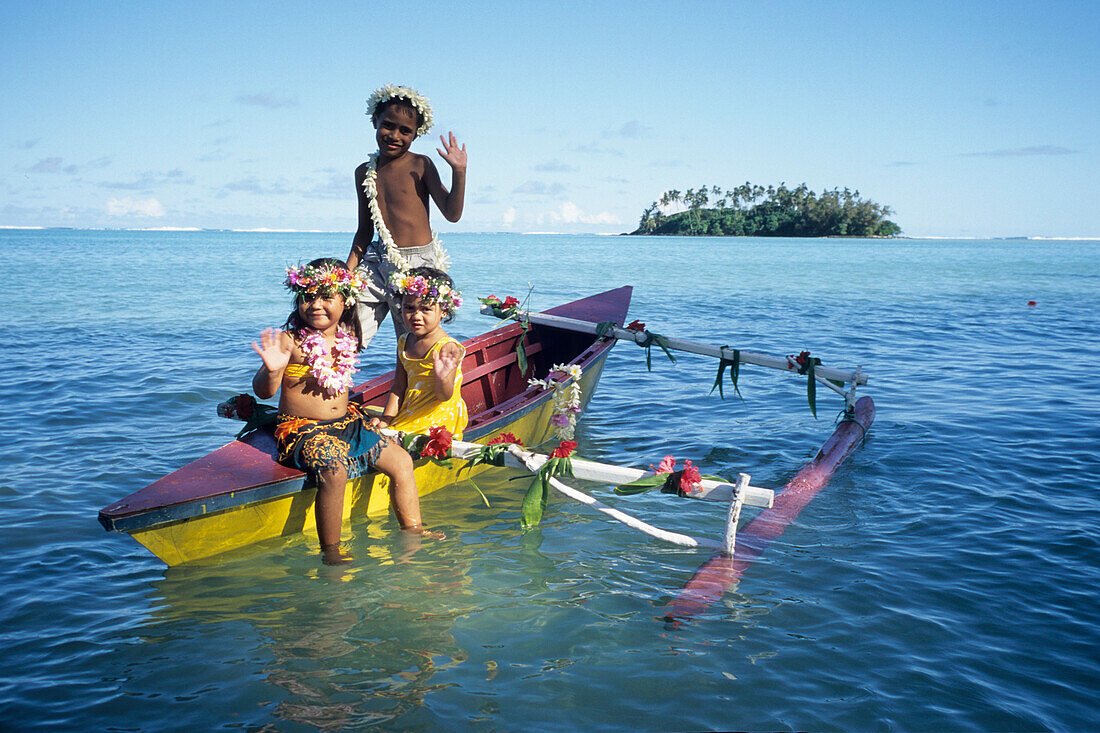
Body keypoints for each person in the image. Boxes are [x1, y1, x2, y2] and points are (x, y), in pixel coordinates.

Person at [251, 258, 440, 565]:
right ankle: (332, 551)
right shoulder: (291, 340)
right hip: (302, 428)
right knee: (334, 472)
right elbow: (264, 391)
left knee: (402, 461)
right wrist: (272, 371)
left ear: (346, 301)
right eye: (308, 296)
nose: (316, 305)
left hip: (347, 422)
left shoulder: (347, 334)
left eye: (327, 297)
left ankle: (413, 530)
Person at [346, 83, 467, 350]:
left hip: (418, 264)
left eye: (405, 131)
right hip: (377, 262)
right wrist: (346, 275)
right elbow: (364, 232)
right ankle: (333, 380)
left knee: (416, 340)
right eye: (388, 125)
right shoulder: (363, 172)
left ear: (416, 134)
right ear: (375, 121)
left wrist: (459, 171)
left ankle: (417, 387)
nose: (394, 135)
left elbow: (452, 213)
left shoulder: (420, 164)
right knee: (348, 329)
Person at [371, 267, 468, 438]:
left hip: (436, 420)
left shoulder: (447, 348)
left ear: (444, 311)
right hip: (412, 412)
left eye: (425, 309)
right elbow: (398, 387)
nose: (416, 315)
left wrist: (443, 377)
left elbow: (445, 396)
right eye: (409, 308)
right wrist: (386, 419)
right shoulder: (404, 341)